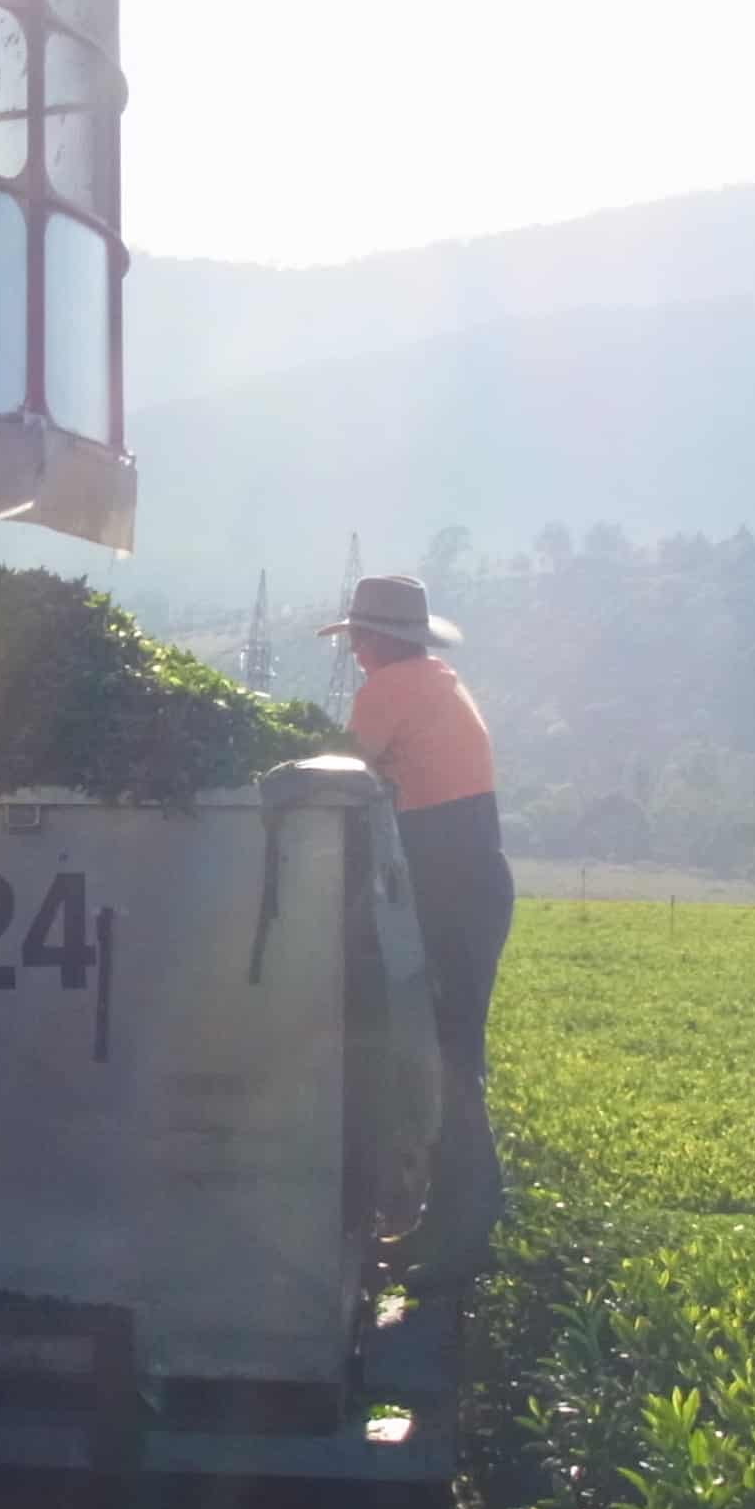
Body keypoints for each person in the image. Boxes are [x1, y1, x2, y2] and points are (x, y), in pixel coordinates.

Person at [321, 574, 512, 1355]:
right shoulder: (435, 682)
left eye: (360, 638)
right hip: (471, 886)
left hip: (452, 894)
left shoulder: (390, 690)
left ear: (377, 640)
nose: (358, 651)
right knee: (451, 1053)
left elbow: (333, 781)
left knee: (450, 1060)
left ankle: (463, 1232)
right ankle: (450, 1220)